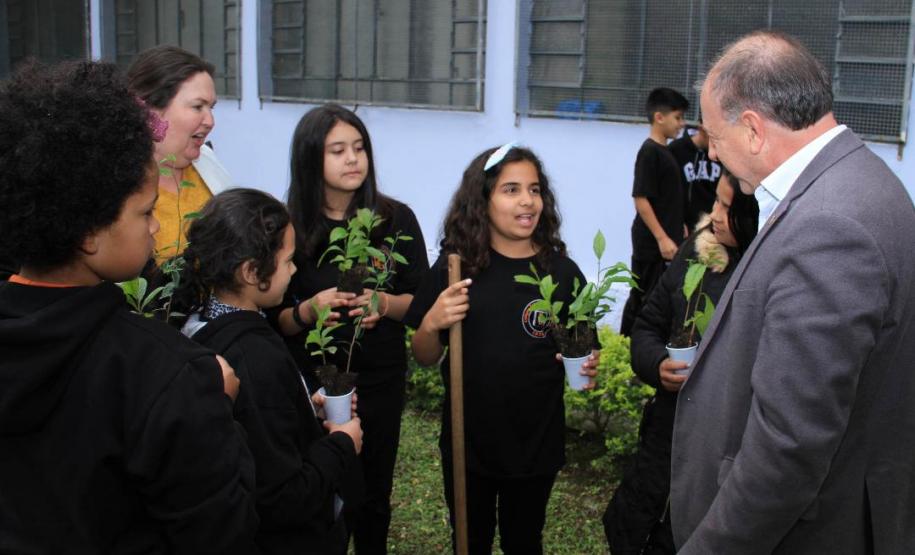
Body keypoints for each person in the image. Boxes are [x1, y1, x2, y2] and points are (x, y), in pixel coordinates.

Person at [671, 30, 915, 554]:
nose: (712, 152)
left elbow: (789, 448)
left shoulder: (828, 224)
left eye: (715, 135)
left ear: (754, 129)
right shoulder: (858, 180)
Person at [0, 60, 257, 552]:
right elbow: (223, 530)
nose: (156, 227)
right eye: (144, 213)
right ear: (89, 233)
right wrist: (215, 410)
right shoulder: (165, 376)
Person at [404, 144, 599, 555]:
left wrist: (586, 364)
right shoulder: (457, 269)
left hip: (536, 444)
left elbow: (584, 356)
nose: (527, 200)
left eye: (534, 189)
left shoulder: (561, 273)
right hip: (467, 442)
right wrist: (433, 320)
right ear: (483, 200)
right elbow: (423, 355)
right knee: (470, 541)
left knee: (524, 541)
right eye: (510, 189)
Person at [271, 104, 429, 554]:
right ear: (309, 160)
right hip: (316, 384)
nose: (353, 159)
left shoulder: (395, 221)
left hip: (379, 377)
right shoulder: (290, 228)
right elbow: (276, 318)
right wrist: (309, 310)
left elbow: (422, 301)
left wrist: (384, 302)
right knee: (321, 488)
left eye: (359, 148)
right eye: (337, 150)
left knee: (374, 494)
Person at [173, 188, 365, 554]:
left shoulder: (204, 323)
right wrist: (342, 443)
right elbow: (283, 496)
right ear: (250, 271)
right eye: (289, 260)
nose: (294, 270)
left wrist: (306, 409)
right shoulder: (254, 356)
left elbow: (258, 426)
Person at [603, 169, 758, 554]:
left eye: (728, 206)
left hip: (717, 456)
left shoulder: (766, 275)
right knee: (633, 528)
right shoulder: (698, 252)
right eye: (716, 202)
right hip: (664, 437)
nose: (715, 215)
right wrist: (657, 365)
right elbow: (647, 327)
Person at [128, 45, 233, 263]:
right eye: (198, 107)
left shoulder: (207, 161)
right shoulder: (119, 184)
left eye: (211, 108)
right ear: (150, 111)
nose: (210, 121)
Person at [620, 87, 689, 337]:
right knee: (643, 296)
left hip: (669, 240)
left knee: (659, 297)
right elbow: (641, 199)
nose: (681, 124)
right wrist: (661, 238)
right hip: (651, 244)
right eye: (678, 117)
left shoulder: (666, 152)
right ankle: (629, 347)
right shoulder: (649, 152)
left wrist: (679, 226)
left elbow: (668, 198)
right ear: (659, 117)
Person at [668, 122, 722, 230]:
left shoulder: (721, 155)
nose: (716, 142)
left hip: (711, 226)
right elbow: (667, 191)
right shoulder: (675, 150)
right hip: (682, 225)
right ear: (702, 128)